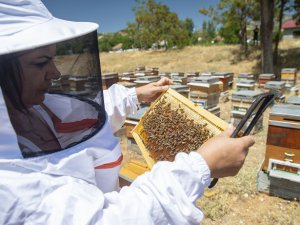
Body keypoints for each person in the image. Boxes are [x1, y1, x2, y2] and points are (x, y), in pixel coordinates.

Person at [0, 0, 255, 224]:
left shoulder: (34, 104)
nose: (55, 73)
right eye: (41, 62)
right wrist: (201, 167)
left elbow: (84, 115)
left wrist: (135, 96)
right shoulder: (9, 187)